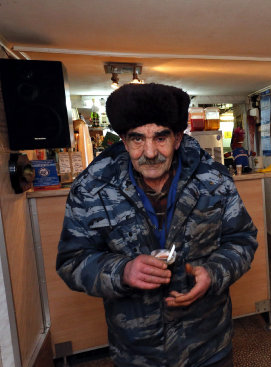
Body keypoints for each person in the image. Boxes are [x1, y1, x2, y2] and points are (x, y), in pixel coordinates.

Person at [56, 83, 258, 367]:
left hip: (207, 345)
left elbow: (242, 239)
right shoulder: (92, 189)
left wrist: (213, 273)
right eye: (137, 139)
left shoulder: (214, 180)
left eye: (160, 138)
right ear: (124, 142)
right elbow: (71, 261)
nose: (149, 152)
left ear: (177, 138)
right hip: (137, 353)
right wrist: (122, 271)